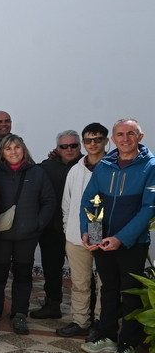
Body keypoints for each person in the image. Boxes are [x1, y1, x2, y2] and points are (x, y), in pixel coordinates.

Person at [80, 119, 155, 353]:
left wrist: (121, 238)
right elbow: (90, 200)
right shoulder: (104, 165)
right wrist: (89, 233)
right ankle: (107, 336)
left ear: (140, 136)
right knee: (109, 289)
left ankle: (128, 345)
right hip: (102, 241)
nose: (125, 138)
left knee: (130, 293)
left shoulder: (150, 166)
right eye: (120, 134)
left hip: (131, 244)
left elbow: (148, 209)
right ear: (113, 139)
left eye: (131, 133)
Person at [0, 134, 55, 335]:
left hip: (27, 235)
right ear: (2, 152)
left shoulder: (37, 173)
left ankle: (19, 314)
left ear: (24, 149)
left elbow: (49, 200)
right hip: (0, 235)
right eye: (8, 148)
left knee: (23, 276)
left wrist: (38, 223)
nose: (13, 152)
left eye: (17, 147)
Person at [57, 123, 108, 338]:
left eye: (97, 139)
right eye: (88, 140)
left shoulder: (113, 167)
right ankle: (80, 320)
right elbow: (67, 203)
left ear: (107, 140)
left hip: (106, 236)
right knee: (79, 283)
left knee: (105, 283)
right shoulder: (75, 170)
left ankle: (101, 322)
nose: (93, 144)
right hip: (77, 236)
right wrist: (69, 230)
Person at [30, 130, 83, 320]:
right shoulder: (47, 167)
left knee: (82, 275)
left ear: (80, 146)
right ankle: (52, 305)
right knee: (52, 270)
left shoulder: (89, 167)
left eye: (73, 145)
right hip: (52, 229)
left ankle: (86, 313)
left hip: (79, 230)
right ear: (57, 148)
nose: (69, 149)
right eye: (64, 146)